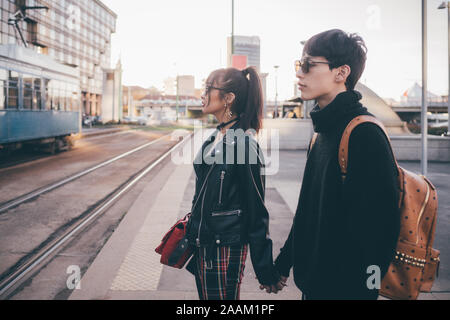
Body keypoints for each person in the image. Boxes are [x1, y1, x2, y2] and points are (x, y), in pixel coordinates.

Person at [274, 29, 401, 300]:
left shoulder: (365, 133)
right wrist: (284, 263)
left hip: (345, 291)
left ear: (341, 73)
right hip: (313, 285)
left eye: (308, 65)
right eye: (299, 65)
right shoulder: (321, 132)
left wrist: (366, 291)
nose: (299, 73)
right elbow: (307, 210)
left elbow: (383, 229)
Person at [185, 67, 285, 300]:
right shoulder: (214, 138)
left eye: (208, 89)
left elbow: (256, 209)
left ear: (229, 98)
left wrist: (265, 270)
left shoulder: (244, 144)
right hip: (204, 245)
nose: (203, 94)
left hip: (224, 248)